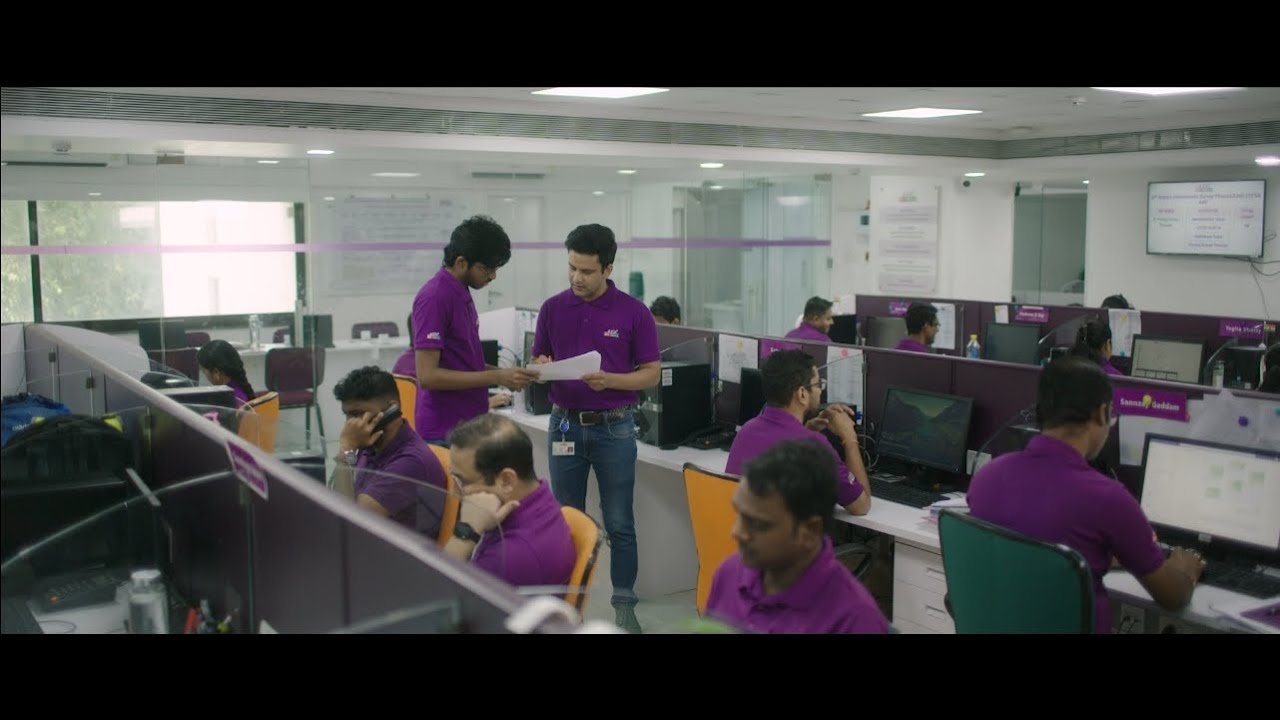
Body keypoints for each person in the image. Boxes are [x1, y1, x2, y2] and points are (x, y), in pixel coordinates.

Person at [967, 357, 1206, 634]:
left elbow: (1031, 548)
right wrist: (1186, 570)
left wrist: (1100, 555)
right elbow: (1172, 597)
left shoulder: (987, 476)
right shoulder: (1107, 498)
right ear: (1101, 413)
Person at [530, 223, 660, 633]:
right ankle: (569, 608)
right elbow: (538, 361)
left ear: (607, 269)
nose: (576, 278)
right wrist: (541, 366)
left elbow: (652, 373)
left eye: (586, 271)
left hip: (615, 428)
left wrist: (612, 381)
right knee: (566, 521)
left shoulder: (634, 312)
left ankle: (624, 606)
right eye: (572, 268)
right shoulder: (552, 308)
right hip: (564, 425)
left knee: (619, 522)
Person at [706, 440, 890, 634]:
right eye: (739, 514)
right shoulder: (729, 573)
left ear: (810, 530)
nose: (736, 532)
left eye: (757, 524)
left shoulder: (855, 621)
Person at [411, 215, 537, 444]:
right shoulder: (435, 297)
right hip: (444, 430)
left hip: (470, 423)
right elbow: (428, 376)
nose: (493, 276)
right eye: (486, 268)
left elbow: (463, 362)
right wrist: (497, 376)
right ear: (461, 263)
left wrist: (506, 375)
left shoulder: (461, 292)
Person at [725, 349, 870, 515]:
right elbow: (861, 505)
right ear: (802, 394)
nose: (820, 390)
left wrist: (807, 429)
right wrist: (849, 437)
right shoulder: (814, 446)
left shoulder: (747, 430)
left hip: (746, 530)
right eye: (817, 384)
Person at [443, 414, 577, 590]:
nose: (454, 491)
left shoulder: (509, 557)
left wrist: (466, 532)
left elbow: (431, 597)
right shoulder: (539, 498)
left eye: (462, 481)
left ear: (507, 480)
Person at [330, 366, 448, 538]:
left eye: (358, 414)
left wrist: (345, 452)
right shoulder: (370, 443)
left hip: (396, 551)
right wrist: (348, 454)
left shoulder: (410, 462)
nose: (351, 425)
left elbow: (352, 526)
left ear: (392, 409)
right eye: (347, 415)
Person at [196, 339, 254, 405]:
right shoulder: (241, 390)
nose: (206, 376)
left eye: (204, 371)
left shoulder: (228, 400)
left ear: (216, 372)